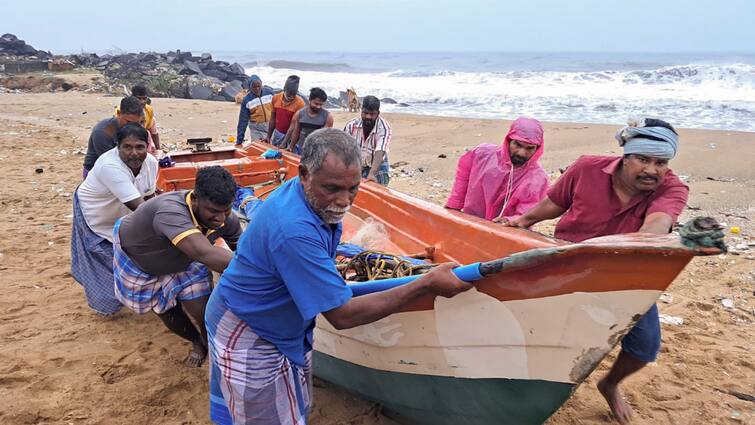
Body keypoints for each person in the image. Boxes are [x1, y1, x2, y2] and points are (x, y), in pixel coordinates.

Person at [206, 128, 472, 425]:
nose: (344, 201)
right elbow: (342, 316)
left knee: (289, 405)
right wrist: (426, 283)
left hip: (275, 317)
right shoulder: (294, 229)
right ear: (304, 173)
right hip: (250, 324)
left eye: (353, 189)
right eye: (332, 188)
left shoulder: (307, 197)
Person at [502, 118, 688, 424]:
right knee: (538, 327)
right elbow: (554, 202)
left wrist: (645, 241)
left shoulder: (673, 188)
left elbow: (657, 224)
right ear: (624, 157)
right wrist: (521, 221)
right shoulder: (586, 168)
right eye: (643, 159)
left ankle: (610, 383)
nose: (652, 170)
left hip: (627, 274)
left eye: (661, 162)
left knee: (644, 347)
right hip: (569, 262)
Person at [113, 166, 242, 367]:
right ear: (196, 197)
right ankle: (196, 342)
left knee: (204, 309)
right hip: (143, 260)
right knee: (167, 310)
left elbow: (243, 249)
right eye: (214, 212)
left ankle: (212, 347)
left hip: (184, 258)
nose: (221, 219)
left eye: (226, 210)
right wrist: (264, 270)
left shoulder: (226, 217)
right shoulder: (170, 211)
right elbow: (204, 253)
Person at [71, 123, 159, 315]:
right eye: (127, 147)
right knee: (102, 261)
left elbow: (150, 197)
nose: (134, 153)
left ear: (147, 147)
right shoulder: (109, 166)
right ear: (117, 147)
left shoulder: (151, 163)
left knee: (129, 256)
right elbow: (142, 208)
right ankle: (108, 304)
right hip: (96, 212)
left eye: (139, 147)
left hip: (123, 216)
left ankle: (136, 294)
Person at [445, 117, 548, 222]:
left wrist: (510, 220)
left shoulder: (537, 178)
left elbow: (527, 214)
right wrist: (454, 205)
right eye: (517, 144)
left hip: (507, 231)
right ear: (508, 140)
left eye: (530, 148)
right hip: (471, 222)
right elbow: (463, 179)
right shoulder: (482, 155)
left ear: (538, 148)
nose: (521, 153)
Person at [83, 96, 145, 177]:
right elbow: (109, 163)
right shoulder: (103, 132)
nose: (132, 126)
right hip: (97, 171)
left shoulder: (137, 128)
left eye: (136, 123)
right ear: (119, 114)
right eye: (128, 122)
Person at [343, 96, 392, 185]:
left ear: (378, 113)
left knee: (378, 191)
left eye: (372, 114)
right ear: (361, 110)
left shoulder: (384, 128)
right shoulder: (351, 126)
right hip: (357, 162)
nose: (368, 117)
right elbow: (344, 150)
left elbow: (380, 151)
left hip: (378, 163)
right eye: (365, 113)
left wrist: (372, 174)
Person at [285, 87, 334, 154]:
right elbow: (296, 132)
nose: (318, 107)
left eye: (321, 104)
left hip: (316, 151)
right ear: (310, 100)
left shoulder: (328, 116)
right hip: (300, 148)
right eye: (316, 104)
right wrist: (291, 147)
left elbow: (325, 137)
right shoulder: (300, 113)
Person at [115, 85, 161, 153]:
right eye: (139, 98)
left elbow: (153, 131)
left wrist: (158, 150)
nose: (142, 101)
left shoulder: (148, 110)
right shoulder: (122, 111)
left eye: (144, 98)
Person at [266, 75, 305, 147]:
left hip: (292, 136)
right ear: (284, 89)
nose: (292, 97)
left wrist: (284, 143)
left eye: (294, 94)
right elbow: (272, 120)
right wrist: (268, 136)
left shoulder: (300, 103)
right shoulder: (275, 98)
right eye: (289, 94)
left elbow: (294, 126)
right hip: (277, 133)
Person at [236, 75, 274, 145]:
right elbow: (243, 121)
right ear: (250, 87)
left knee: (271, 149)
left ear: (261, 84)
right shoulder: (247, 100)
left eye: (259, 86)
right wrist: (239, 141)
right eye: (254, 87)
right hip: (256, 129)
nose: (257, 89)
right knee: (258, 148)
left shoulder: (269, 93)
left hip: (270, 127)